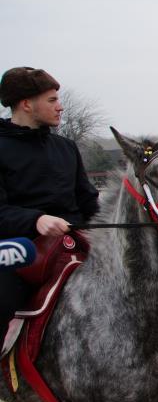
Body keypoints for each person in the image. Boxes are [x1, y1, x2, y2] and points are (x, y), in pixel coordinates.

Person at [1, 67, 99, 330]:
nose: (60, 107)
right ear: (26, 104)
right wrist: (37, 219)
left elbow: (89, 201)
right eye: (52, 100)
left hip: (73, 244)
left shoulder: (66, 147)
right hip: (19, 250)